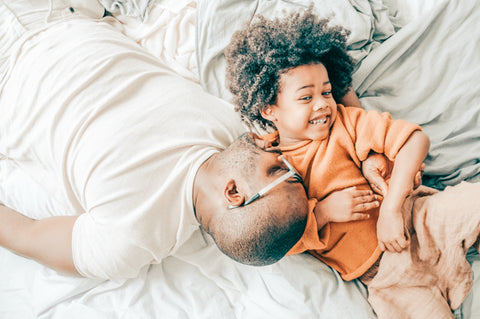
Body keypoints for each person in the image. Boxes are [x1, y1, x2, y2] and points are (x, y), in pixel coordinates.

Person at [0, 0, 391, 281]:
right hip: (72, 17)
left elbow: (23, 234)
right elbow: (317, 94)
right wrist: (369, 151)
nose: (277, 151)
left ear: (234, 193)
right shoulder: (234, 137)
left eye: (278, 169)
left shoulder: (127, 240)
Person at [225, 9, 480, 318]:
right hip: (388, 281)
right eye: (306, 98)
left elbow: (415, 140)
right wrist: (323, 211)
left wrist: (391, 208)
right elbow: (273, 240)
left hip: (420, 222)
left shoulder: (346, 124)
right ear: (269, 110)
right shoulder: (273, 168)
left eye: (327, 92)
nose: (322, 103)